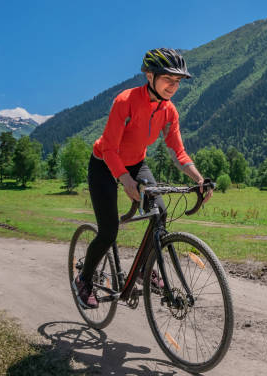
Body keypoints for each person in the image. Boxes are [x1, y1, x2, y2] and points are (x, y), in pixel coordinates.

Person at [73, 48, 210, 308]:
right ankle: (84, 278)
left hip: (136, 163)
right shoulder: (125, 101)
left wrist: (198, 177)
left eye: (177, 82)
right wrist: (125, 181)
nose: (173, 86)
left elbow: (177, 151)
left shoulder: (169, 112)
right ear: (150, 75)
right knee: (109, 231)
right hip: (104, 164)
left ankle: (143, 269)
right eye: (168, 79)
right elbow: (110, 148)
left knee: (159, 212)